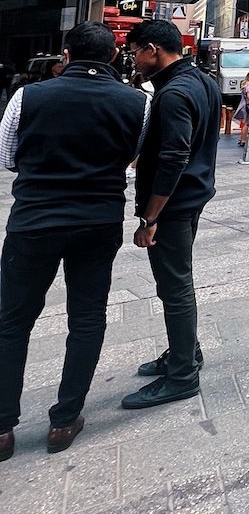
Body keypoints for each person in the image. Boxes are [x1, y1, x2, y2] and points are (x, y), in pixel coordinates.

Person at [0, 23, 149, 459]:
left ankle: (3, 427)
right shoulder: (137, 103)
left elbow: (8, 156)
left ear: (65, 54)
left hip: (34, 220)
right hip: (98, 221)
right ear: (114, 57)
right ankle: (65, 419)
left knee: (12, 320)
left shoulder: (28, 96)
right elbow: (132, 156)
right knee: (86, 317)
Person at [121, 19, 221, 409]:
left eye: (134, 52)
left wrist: (150, 217)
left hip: (173, 205)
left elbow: (175, 155)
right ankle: (185, 352)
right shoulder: (203, 82)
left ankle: (182, 374)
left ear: (152, 49)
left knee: (175, 286)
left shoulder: (175, 92)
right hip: (191, 197)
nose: (133, 60)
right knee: (174, 283)